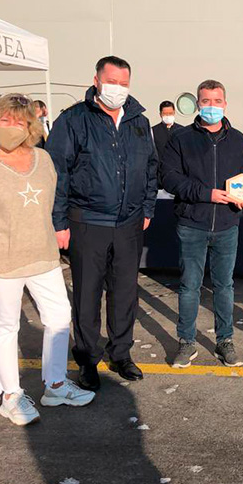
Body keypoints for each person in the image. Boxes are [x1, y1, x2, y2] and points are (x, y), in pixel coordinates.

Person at [0, 94, 95, 426]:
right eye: (5, 119)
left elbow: (49, 205)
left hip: (43, 257)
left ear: (31, 125)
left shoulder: (43, 160)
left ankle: (56, 384)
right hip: (0, 263)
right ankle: (10, 395)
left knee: (59, 317)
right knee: (5, 325)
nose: (12, 126)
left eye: (19, 121)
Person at [46, 56, 158, 392]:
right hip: (87, 222)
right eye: (112, 82)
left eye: (124, 83)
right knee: (87, 294)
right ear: (96, 80)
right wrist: (58, 221)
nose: (118, 89)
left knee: (125, 293)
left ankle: (121, 353)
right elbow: (58, 173)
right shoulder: (74, 120)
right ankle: (87, 360)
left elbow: (151, 167)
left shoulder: (139, 121)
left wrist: (148, 207)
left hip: (129, 223)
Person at [160, 80, 243, 368]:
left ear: (225, 103)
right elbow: (169, 178)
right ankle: (186, 342)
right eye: (205, 101)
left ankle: (224, 340)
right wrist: (206, 194)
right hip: (193, 223)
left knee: (224, 285)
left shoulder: (238, 139)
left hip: (227, 224)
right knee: (189, 286)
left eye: (216, 101)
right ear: (196, 104)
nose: (211, 106)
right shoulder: (180, 139)